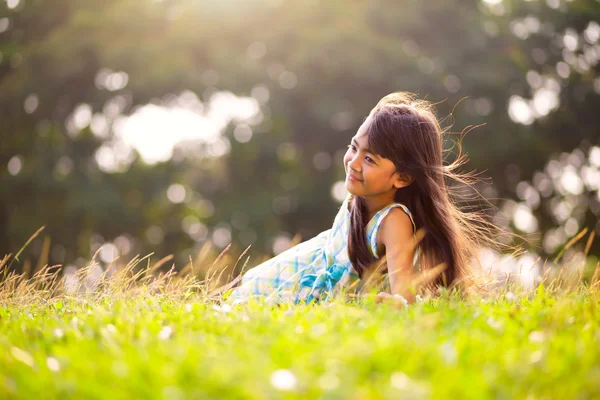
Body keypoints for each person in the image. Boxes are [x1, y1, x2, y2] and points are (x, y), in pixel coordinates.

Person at [221, 92, 495, 307]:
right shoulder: (358, 201)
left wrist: (395, 304)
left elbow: (404, 293)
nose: (353, 163)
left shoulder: (394, 220)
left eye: (369, 159)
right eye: (354, 147)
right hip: (294, 272)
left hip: (301, 296)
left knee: (233, 306)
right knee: (230, 298)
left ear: (402, 178)